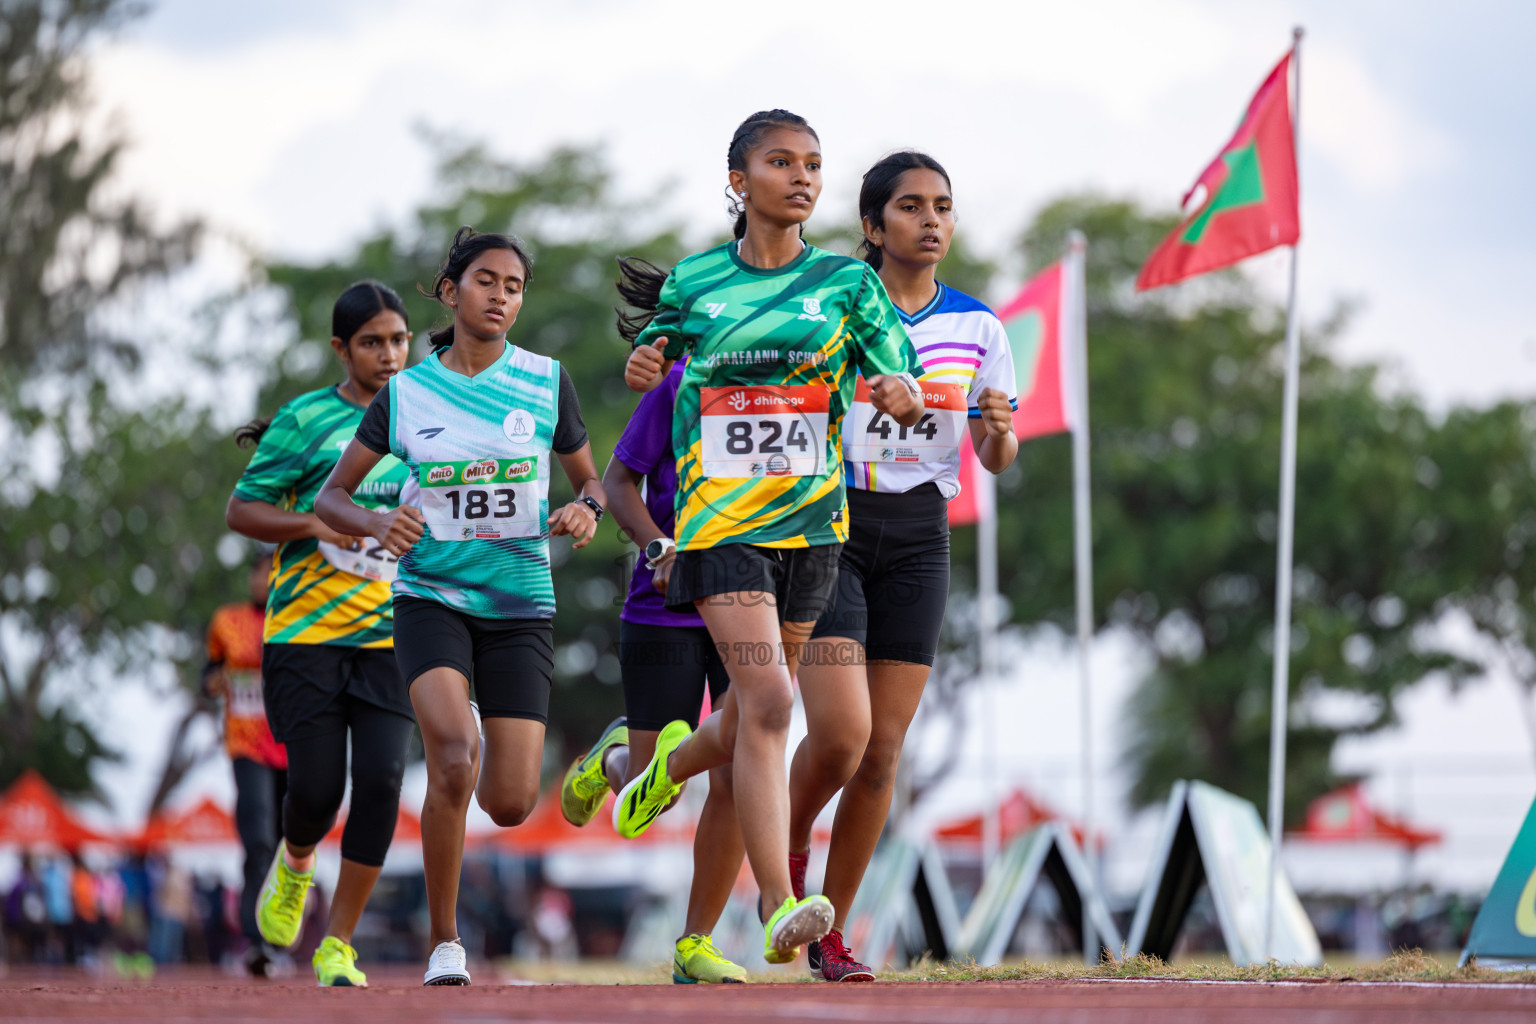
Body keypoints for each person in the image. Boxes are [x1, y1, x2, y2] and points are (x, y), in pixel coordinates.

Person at [615, 109, 924, 966]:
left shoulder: (847, 285)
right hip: (720, 529)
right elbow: (653, 358)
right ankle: (782, 905)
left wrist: (902, 393)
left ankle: (665, 771)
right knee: (775, 707)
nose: (802, 177)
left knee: (749, 711)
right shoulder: (694, 282)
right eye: (781, 161)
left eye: (814, 164)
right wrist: (643, 364)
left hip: (814, 529)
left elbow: (900, 370)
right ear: (738, 181)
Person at [315, 226, 606, 987]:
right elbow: (331, 496)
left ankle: (549, 745)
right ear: (451, 291)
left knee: (508, 801)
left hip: (518, 604)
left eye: (513, 286)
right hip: (429, 596)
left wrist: (587, 510)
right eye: (487, 281)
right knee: (448, 756)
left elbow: (591, 481)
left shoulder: (545, 382)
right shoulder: (407, 393)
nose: (501, 297)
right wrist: (380, 521)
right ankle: (446, 942)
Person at [789, 151, 1020, 981]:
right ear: (872, 225)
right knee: (842, 738)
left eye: (944, 207)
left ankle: (832, 933)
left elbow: (995, 456)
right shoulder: (831, 313)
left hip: (922, 530)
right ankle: (784, 854)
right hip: (833, 524)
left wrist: (995, 427)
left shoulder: (981, 329)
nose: (932, 221)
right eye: (912, 206)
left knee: (884, 754)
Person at [226, 281, 416, 987]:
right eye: (372, 342)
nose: (389, 355)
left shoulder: (428, 414)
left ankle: (339, 942)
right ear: (342, 348)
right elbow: (242, 511)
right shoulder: (306, 419)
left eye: (398, 340)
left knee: (383, 779)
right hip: (304, 634)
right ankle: (296, 862)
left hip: (392, 634)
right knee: (313, 791)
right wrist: (313, 522)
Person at [558, 355, 747, 983]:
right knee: (653, 793)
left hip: (752, 598)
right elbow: (617, 483)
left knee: (740, 769)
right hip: (665, 606)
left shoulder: (803, 375)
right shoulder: (682, 381)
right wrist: (658, 547)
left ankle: (697, 943)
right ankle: (607, 760)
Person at [202, 548, 288, 976]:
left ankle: (277, 937)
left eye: (270, 574)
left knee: (284, 844)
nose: (262, 582)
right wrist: (214, 681)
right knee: (256, 836)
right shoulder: (227, 622)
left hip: (293, 744)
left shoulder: (299, 619)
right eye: (257, 574)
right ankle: (257, 943)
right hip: (247, 744)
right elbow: (210, 672)